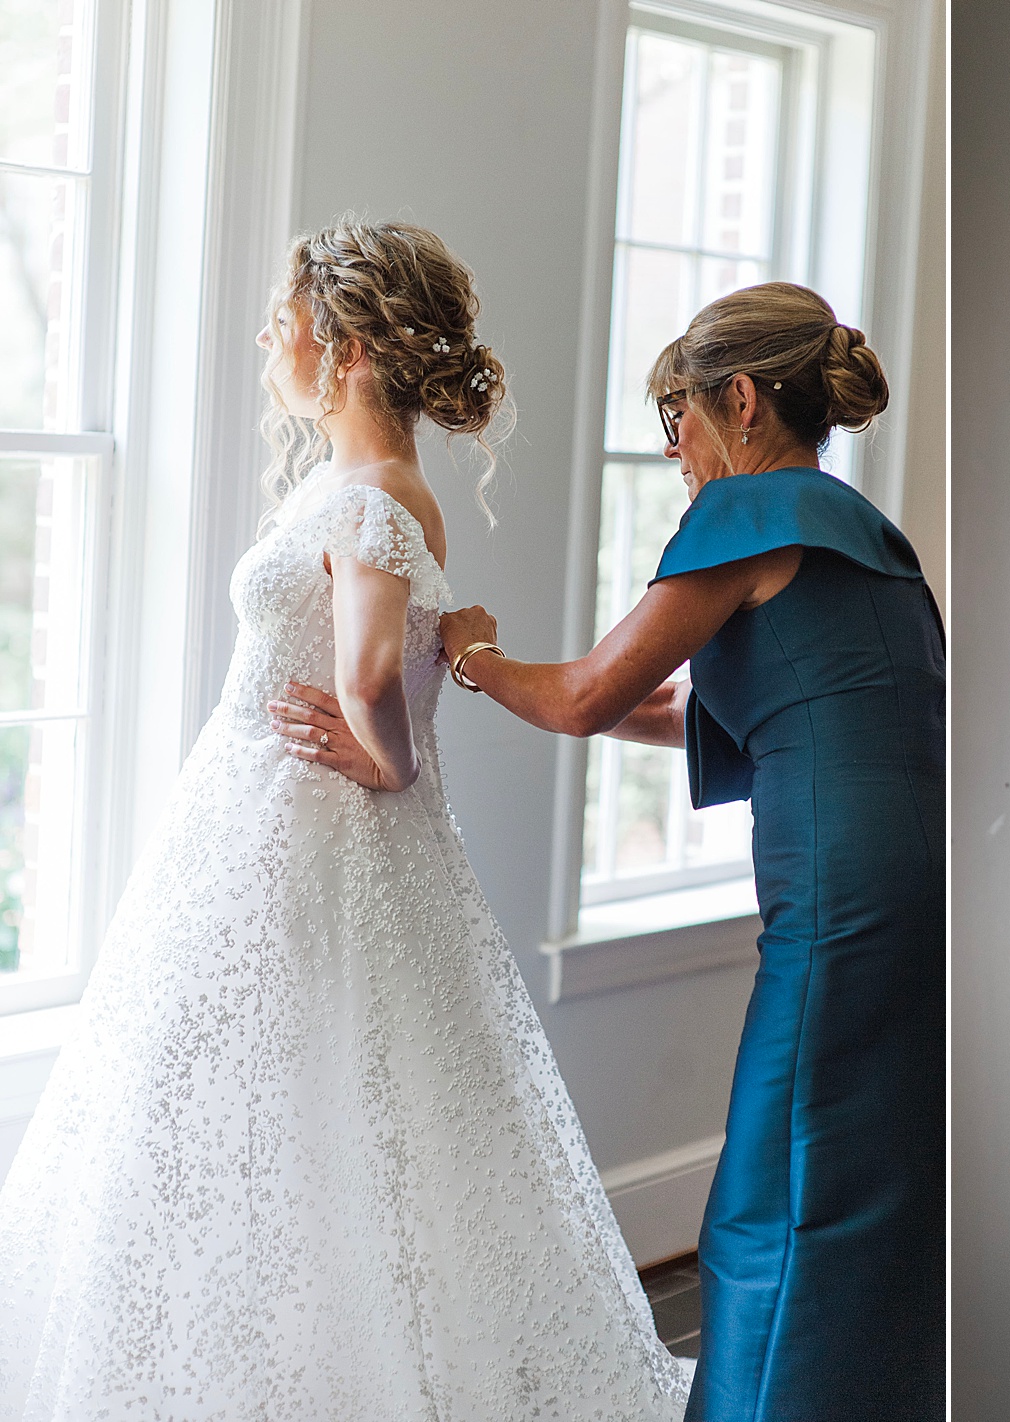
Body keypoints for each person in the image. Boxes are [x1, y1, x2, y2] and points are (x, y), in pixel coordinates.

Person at [0, 221, 693, 1420]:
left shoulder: (375, 501)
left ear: (351, 349)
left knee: (315, 1110)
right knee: (273, 1113)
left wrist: (384, 765)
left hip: (308, 837)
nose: (272, 336)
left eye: (289, 320)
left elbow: (375, 679)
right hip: (257, 829)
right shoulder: (345, 485)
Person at [291, 282, 946, 1421]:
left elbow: (596, 693)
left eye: (679, 422)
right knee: (868, 1172)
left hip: (842, 892)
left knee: (776, 1188)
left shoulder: (748, 515)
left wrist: (479, 659)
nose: (674, 453)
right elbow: (691, 702)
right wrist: (491, 669)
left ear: (740, 401)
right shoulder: (861, 530)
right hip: (915, 876)